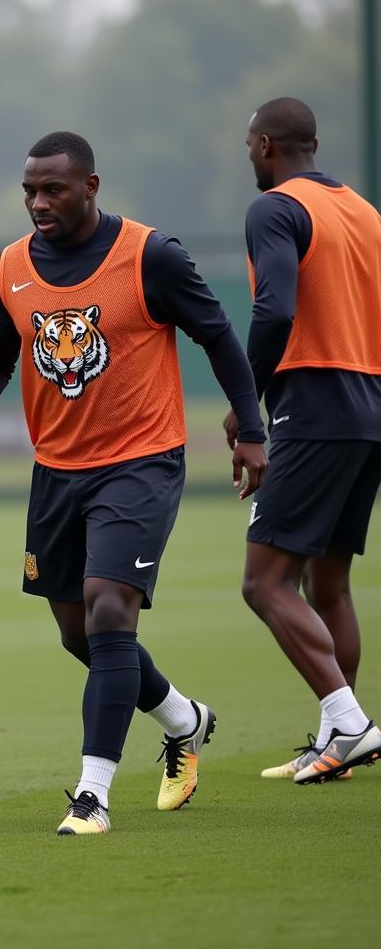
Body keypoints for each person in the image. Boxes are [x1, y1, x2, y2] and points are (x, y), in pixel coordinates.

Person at [0, 132, 267, 836]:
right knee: (79, 633)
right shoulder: (12, 266)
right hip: (56, 472)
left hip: (141, 462)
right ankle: (184, 720)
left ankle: (92, 796)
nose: (39, 203)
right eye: (30, 191)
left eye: (53, 190)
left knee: (110, 610)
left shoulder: (150, 255)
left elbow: (220, 334)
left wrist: (254, 430)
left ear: (91, 186)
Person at [225, 97, 381, 783]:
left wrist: (244, 403)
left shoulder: (275, 208)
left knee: (265, 583)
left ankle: (350, 724)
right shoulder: (364, 211)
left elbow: (276, 307)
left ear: (264, 144)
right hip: (371, 406)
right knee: (329, 581)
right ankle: (333, 745)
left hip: (315, 405)